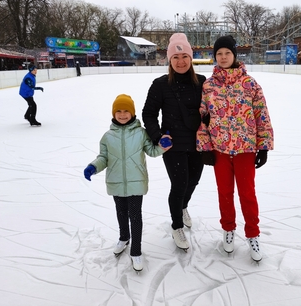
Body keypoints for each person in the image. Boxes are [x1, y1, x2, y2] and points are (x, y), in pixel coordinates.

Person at [196, 35, 274, 262]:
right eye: (219, 54)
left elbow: (262, 115)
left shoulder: (250, 84)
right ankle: (228, 230)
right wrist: (205, 146)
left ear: (234, 55)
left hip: (245, 149)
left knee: (247, 194)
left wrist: (264, 146)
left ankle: (253, 234)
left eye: (227, 53)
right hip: (219, 150)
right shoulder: (209, 85)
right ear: (215, 57)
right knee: (225, 194)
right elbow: (203, 117)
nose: (223, 57)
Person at [83, 94, 172, 272]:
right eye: (119, 111)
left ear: (132, 113)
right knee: (121, 213)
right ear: (113, 113)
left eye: (126, 111)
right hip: (116, 182)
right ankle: (124, 237)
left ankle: (136, 251)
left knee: (135, 216)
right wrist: (93, 166)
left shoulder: (141, 133)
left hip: (136, 183)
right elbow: (103, 157)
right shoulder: (107, 136)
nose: (122, 115)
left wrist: (163, 146)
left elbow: (152, 151)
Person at [142, 33, 206, 252]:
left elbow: (213, 112)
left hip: (198, 143)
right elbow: (148, 113)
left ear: (191, 58)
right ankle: (176, 224)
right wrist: (158, 136)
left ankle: (184, 207)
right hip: (173, 144)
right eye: (176, 57)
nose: (181, 61)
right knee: (179, 185)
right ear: (169, 60)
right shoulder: (160, 85)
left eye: (185, 56)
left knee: (193, 181)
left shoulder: (202, 83)